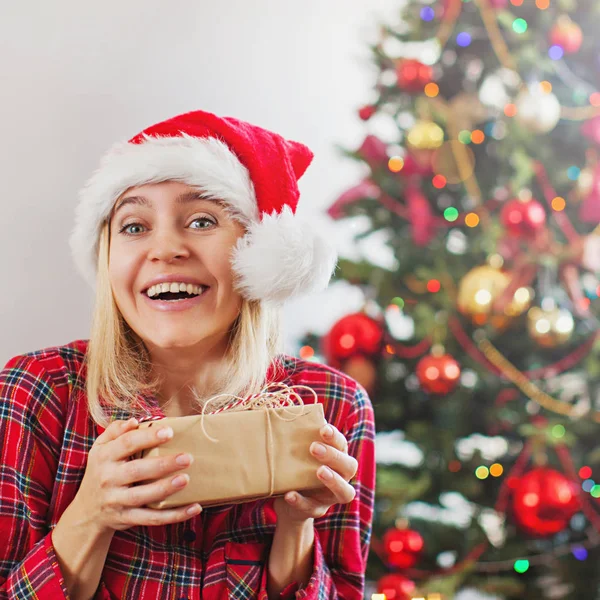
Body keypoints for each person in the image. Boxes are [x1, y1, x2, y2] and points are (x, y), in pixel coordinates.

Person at [0, 110, 375, 599]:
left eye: (202, 220)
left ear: (257, 252)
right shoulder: (34, 392)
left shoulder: (335, 405)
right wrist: (90, 514)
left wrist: (297, 525)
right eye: (134, 226)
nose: (166, 248)